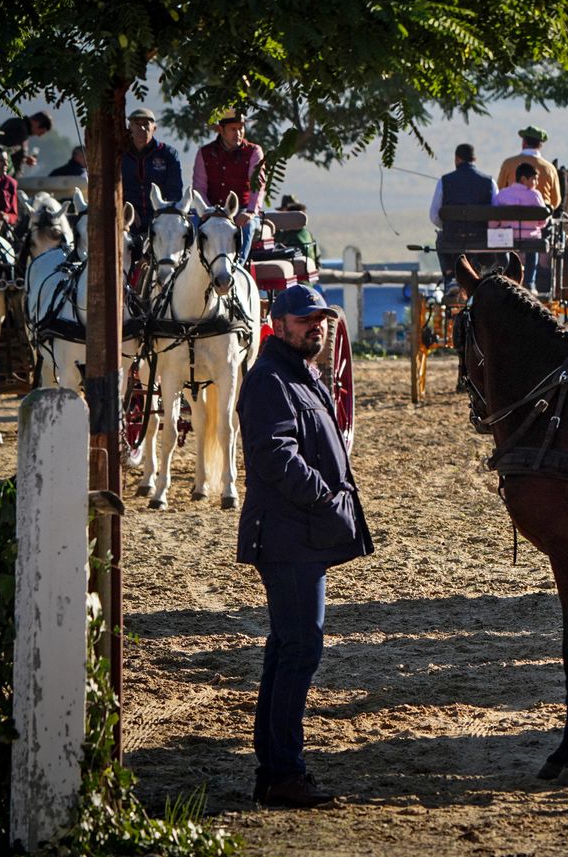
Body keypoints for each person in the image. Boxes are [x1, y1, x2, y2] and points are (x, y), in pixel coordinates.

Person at [236, 284, 373, 809]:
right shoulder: (271, 379)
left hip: (299, 532)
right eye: (304, 319)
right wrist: (324, 497)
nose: (315, 326)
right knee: (300, 649)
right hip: (287, 534)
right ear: (278, 325)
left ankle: (275, 769)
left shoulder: (300, 374)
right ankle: (283, 774)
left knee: (288, 648)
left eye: (320, 318)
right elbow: (275, 454)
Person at [193, 110, 265, 264]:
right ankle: (186, 266)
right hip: (210, 210)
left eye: (241, 128)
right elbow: (199, 188)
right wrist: (207, 211)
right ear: (221, 129)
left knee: (247, 226)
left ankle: (237, 266)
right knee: (189, 225)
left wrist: (251, 212)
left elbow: (257, 186)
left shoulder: (254, 152)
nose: (238, 133)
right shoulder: (204, 153)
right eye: (233, 129)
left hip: (242, 210)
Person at [429, 143, 497, 300]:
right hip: (481, 240)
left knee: (441, 238)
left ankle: (450, 278)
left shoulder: (444, 181)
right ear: (474, 159)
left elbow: (434, 216)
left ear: (457, 159)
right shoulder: (489, 182)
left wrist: (447, 228)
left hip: (453, 238)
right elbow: (496, 213)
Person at [122, 107, 184, 240]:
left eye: (146, 124)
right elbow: (110, 188)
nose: (142, 128)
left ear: (154, 128)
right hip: (126, 219)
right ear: (129, 128)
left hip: (161, 218)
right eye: (137, 124)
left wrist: (162, 213)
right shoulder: (120, 155)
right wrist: (125, 209)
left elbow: (175, 191)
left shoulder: (168, 154)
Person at [492, 164, 550, 294]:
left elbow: (493, 221)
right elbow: (543, 221)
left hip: (506, 237)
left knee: (501, 247)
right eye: (534, 179)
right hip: (529, 236)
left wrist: (497, 227)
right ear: (523, 179)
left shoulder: (503, 194)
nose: (536, 183)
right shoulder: (535, 195)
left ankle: (506, 276)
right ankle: (529, 282)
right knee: (533, 248)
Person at [496, 125, 560, 214]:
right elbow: (555, 201)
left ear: (524, 143)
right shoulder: (550, 168)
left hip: (510, 216)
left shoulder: (508, 163)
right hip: (541, 217)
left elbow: (499, 189)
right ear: (540, 145)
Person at [0, 110, 54, 178]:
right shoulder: (20, 129)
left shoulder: (16, 124)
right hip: (6, 177)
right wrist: (24, 157)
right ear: (36, 123)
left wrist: (25, 158)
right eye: (41, 132)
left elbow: (12, 150)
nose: (39, 135)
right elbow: (7, 151)